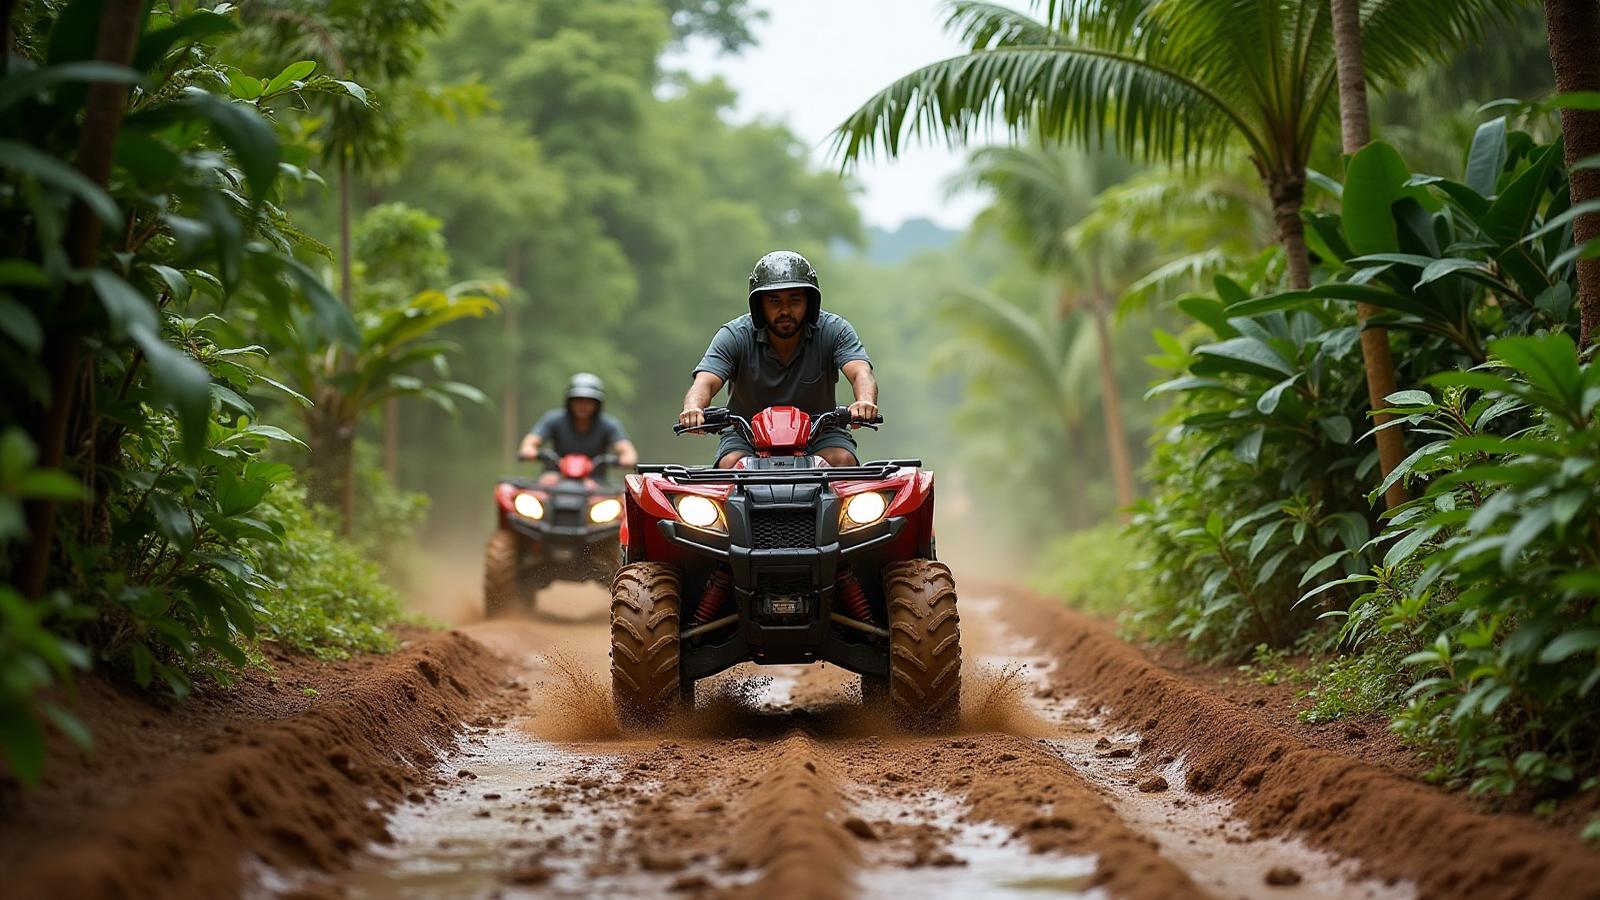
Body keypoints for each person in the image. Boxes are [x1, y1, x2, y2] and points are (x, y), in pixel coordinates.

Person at [679, 250, 878, 468]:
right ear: (759, 305)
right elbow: (705, 381)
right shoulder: (735, 335)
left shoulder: (834, 330)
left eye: (795, 300)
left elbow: (861, 371)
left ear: (809, 302)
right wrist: (693, 408)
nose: (785, 310)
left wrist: (865, 402)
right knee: (731, 464)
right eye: (774, 301)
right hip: (746, 434)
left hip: (820, 431)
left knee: (843, 460)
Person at [519, 373, 638, 468]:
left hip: (597, 485)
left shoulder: (609, 424)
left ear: (597, 404)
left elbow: (628, 452)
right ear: (569, 402)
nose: (583, 405)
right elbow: (529, 443)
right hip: (553, 480)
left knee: (623, 497)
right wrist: (530, 451)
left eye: (589, 401)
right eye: (578, 400)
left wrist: (625, 459)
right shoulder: (553, 419)